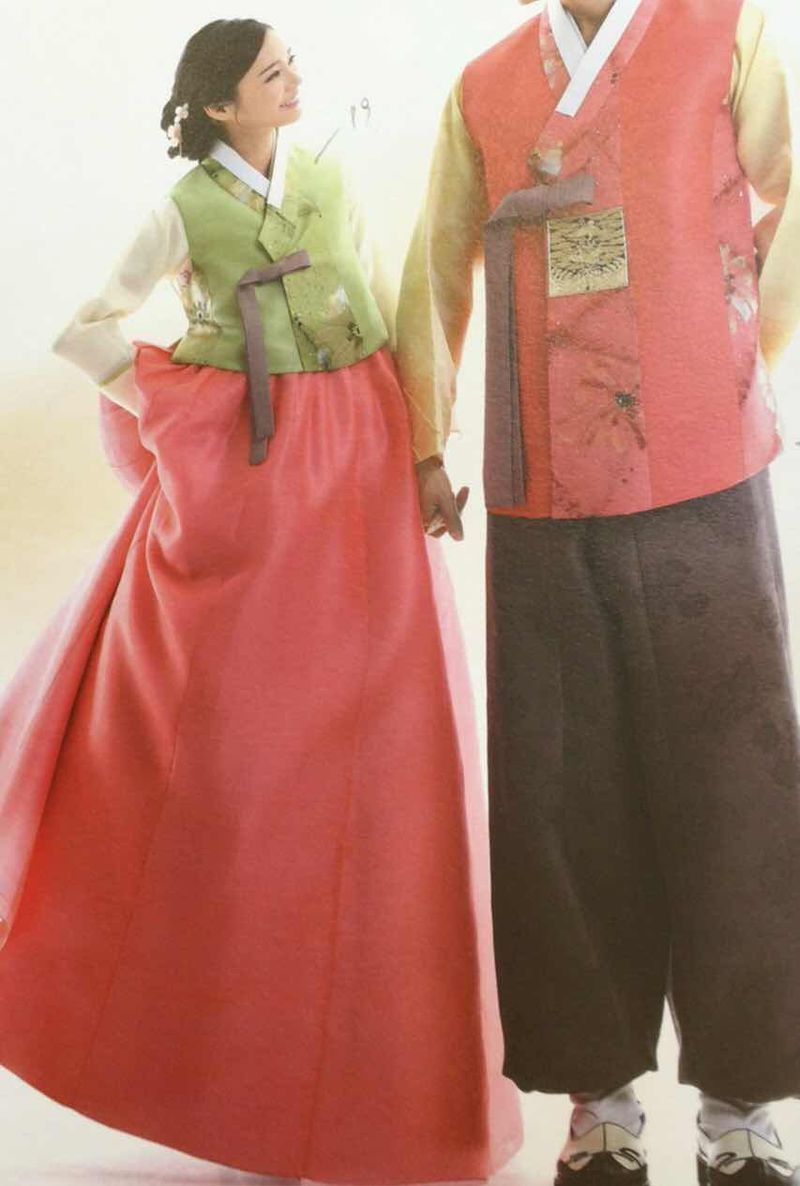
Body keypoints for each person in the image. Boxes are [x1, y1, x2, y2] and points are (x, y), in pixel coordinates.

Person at [0, 18, 522, 1182]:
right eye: (270, 72)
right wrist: (183, 400)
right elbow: (80, 330)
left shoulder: (329, 179)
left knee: (383, 758)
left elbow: (387, 314)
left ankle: (379, 1093)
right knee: (250, 771)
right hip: (257, 474)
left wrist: (424, 456)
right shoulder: (183, 209)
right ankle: (238, 1083)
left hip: (364, 461)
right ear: (218, 104)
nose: (294, 81)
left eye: (291, 65)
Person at [394, 0, 800, 1182]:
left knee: (734, 783)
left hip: (700, 463)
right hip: (539, 479)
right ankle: (599, 1099)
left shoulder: (722, 31)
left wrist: (742, 340)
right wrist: (425, 438)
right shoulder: (482, 86)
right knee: (560, 793)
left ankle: (739, 1106)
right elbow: (434, 263)